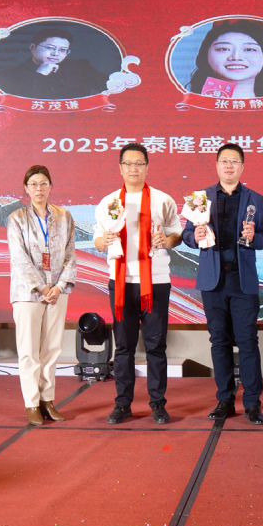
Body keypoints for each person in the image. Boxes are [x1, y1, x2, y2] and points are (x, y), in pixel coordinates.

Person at [93, 143, 183, 425]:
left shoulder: (162, 200)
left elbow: (176, 235)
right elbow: (98, 242)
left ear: (147, 167)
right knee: (124, 347)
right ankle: (123, 404)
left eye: (139, 163)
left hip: (155, 281)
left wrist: (166, 240)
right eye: (128, 164)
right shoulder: (109, 202)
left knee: (156, 346)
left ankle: (158, 403)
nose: (134, 169)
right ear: (120, 168)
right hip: (121, 283)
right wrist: (105, 240)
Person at [182, 143, 263, 424]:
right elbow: (186, 235)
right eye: (224, 161)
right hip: (213, 281)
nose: (229, 165)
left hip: (242, 281)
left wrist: (253, 237)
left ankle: (253, 403)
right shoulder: (201, 197)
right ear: (217, 165)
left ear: (242, 166)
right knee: (219, 341)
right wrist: (194, 236)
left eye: (234, 161)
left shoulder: (255, 198)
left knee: (248, 342)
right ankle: (225, 400)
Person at [7, 164, 77, 426]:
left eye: (44, 183)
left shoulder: (64, 216)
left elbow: (70, 254)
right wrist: (42, 287)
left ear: (51, 187)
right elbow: (19, 258)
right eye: (34, 184)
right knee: (29, 350)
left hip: (58, 291)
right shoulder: (17, 218)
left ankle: (48, 400)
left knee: (52, 348)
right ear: (26, 189)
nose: (39, 189)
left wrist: (58, 286)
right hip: (28, 292)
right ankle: (32, 403)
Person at [0, 27, 110, 100]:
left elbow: (112, 88)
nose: (55, 54)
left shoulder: (81, 67)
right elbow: (16, 103)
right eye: (49, 48)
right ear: (33, 47)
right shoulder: (9, 74)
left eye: (63, 50)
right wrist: (39, 75)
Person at [187, 20, 263, 99]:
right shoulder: (190, 104)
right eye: (224, 49)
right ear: (206, 55)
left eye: (249, 49)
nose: (236, 57)